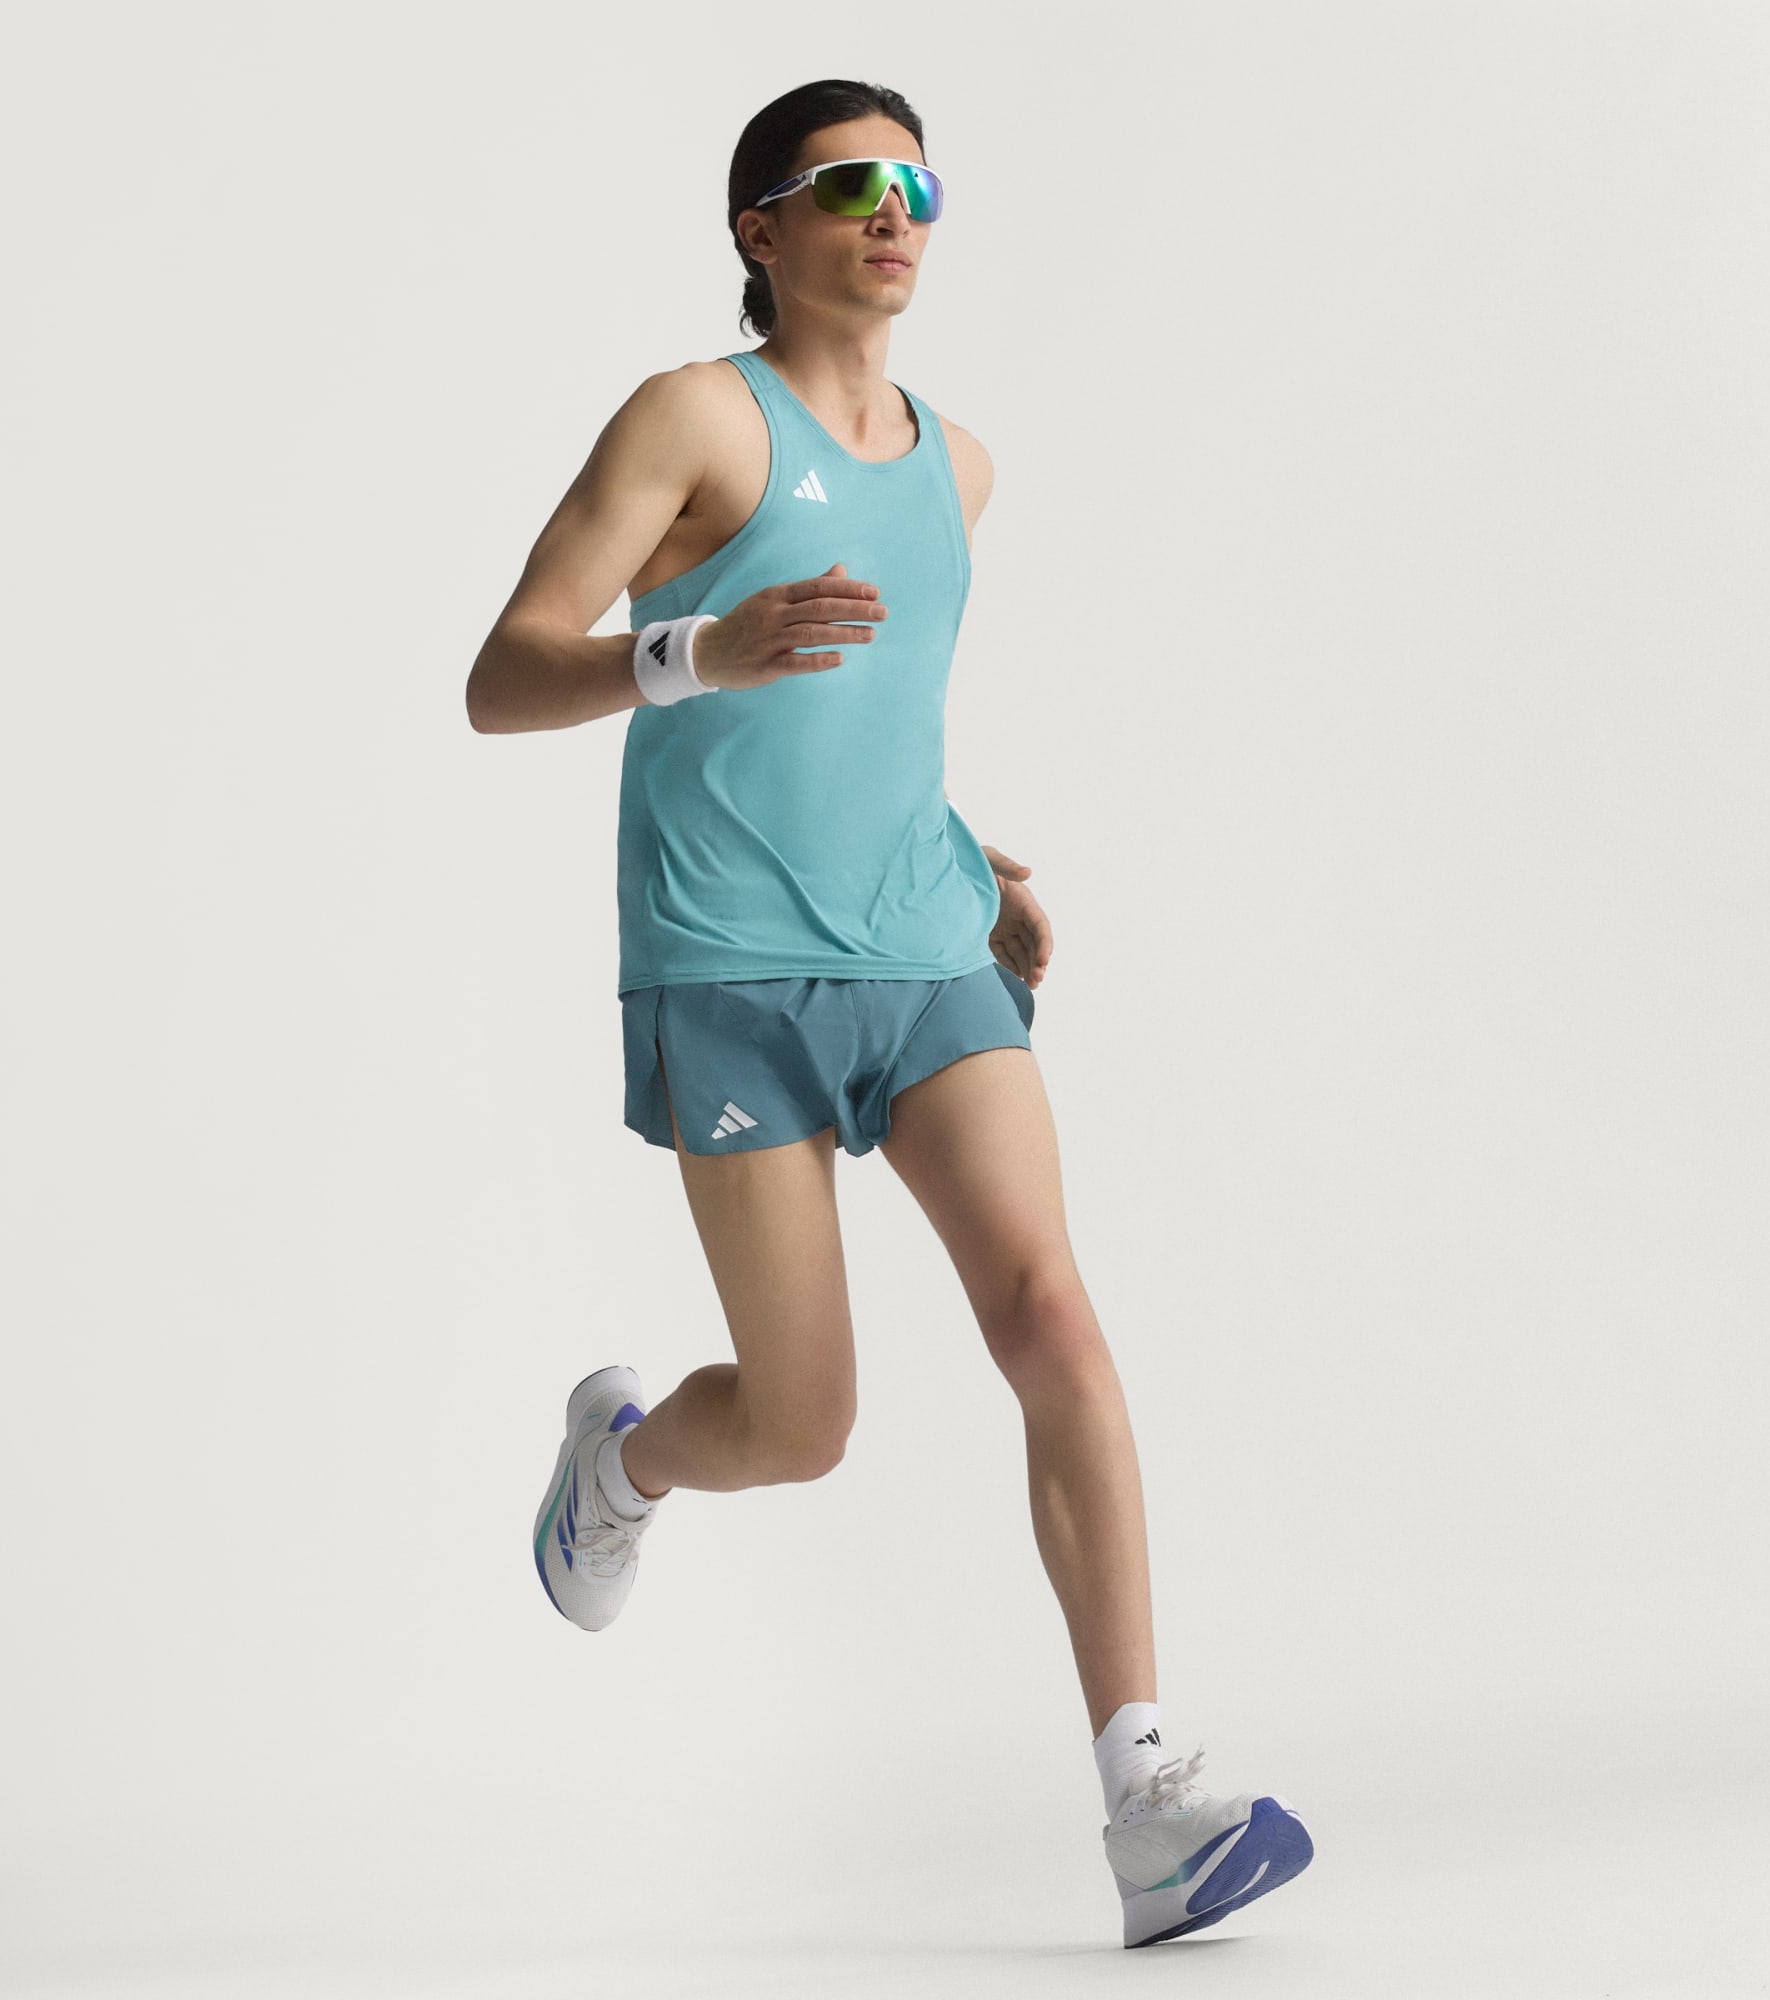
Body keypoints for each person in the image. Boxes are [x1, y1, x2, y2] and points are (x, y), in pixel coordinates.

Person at [463, 77, 1313, 1947]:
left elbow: (873, 714)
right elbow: (502, 675)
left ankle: (1149, 1801)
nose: (892, 213)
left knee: (1051, 1313)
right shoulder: (694, 417)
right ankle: (621, 1459)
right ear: (761, 228)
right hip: (726, 963)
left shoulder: (962, 465)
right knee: (804, 1421)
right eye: (849, 184)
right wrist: (696, 649)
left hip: (927, 947)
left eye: (918, 185)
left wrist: (965, 856)